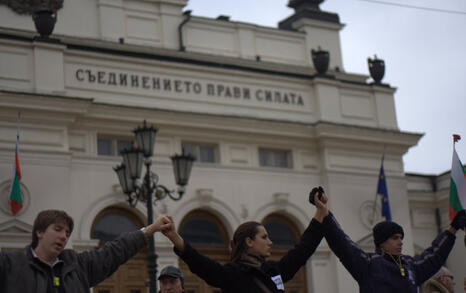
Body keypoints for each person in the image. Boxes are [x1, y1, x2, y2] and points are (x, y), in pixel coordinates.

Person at [159, 193, 328, 293]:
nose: (270, 242)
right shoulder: (233, 274)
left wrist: (320, 212)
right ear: (249, 242)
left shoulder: (273, 270)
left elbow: (302, 250)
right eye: (264, 237)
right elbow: (200, 262)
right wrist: (174, 237)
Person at [313, 189, 466, 293]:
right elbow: (342, 244)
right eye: (395, 238)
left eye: (401, 238)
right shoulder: (368, 264)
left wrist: (452, 228)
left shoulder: (410, 266)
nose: (400, 242)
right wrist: (324, 213)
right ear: (381, 242)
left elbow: (434, 255)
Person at [0, 209, 172, 293]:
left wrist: (151, 229)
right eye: (57, 229)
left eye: (67, 233)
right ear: (40, 232)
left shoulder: (78, 266)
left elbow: (115, 251)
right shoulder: (10, 264)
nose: (63, 237)